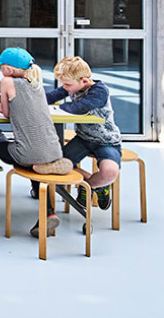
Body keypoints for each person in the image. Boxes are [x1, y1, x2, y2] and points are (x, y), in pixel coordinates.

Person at [0, 47, 74, 237]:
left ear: (9, 69)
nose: (0, 70)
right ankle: (48, 212)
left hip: (27, 153)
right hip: (54, 150)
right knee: (35, 163)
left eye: (1, 66)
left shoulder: (7, 81)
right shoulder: (37, 84)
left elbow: (5, 113)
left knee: (2, 148)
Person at [47, 56, 122, 211]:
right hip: (83, 139)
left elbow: (80, 107)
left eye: (67, 84)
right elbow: (52, 96)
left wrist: (63, 106)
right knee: (55, 164)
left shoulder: (99, 91)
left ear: (84, 81)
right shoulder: (73, 85)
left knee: (110, 172)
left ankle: (89, 186)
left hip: (106, 141)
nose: (64, 87)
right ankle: (95, 186)